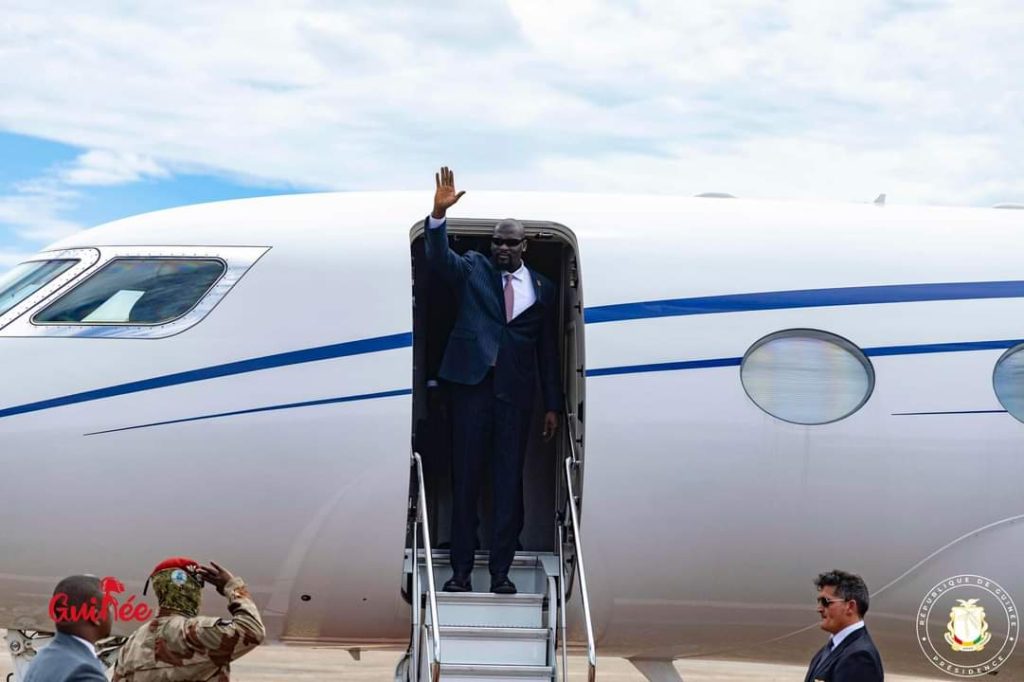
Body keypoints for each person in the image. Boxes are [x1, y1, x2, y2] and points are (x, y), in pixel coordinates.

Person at [426, 166, 562, 595]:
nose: (502, 247)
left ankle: (502, 572)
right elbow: (439, 260)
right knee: (466, 478)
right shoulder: (474, 269)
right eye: (497, 241)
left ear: (524, 245)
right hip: (471, 388)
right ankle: (461, 572)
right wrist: (438, 216)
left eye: (510, 242)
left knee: (508, 482)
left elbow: (547, 350)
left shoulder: (544, 288)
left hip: (515, 395)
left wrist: (553, 404)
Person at [113, 557, 265, 681]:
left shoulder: (131, 644)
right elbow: (253, 630)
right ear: (192, 590)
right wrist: (233, 588)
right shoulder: (197, 632)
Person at [25, 575, 112, 681]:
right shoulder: (84, 672)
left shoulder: (41, 659)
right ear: (95, 616)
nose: (111, 613)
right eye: (108, 606)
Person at [804, 569, 884, 682]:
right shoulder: (830, 649)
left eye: (826, 602)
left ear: (850, 606)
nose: (820, 609)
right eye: (819, 602)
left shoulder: (859, 658)